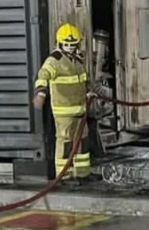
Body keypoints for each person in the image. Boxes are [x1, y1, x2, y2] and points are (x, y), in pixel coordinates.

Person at [33, 23, 101, 182]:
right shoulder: (54, 60)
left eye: (73, 44)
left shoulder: (77, 61)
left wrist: (90, 92)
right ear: (59, 44)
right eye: (67, 45)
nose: (71, 47)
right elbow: (43, 76)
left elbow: (84, 80)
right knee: (65, 143)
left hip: (81, 109)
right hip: (64, 112)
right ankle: (65, 176)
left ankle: (83, 173)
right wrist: (41, 92)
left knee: (82, 142)